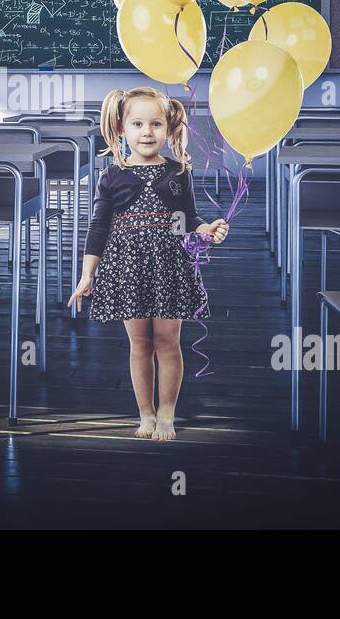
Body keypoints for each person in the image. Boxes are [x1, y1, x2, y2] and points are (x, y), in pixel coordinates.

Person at [68, 86, 229, 440]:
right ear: (122, 128)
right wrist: (86, 276)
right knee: (140, 344)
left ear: (169, 129)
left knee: (168, 343)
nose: (147, 132)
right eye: (137, 123)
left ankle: (168, 414)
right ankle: (145, 414)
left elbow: (186, 219)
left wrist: (207, 230)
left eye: (156, 124)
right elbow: (99, 227)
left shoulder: (178, 172)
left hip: (169, 265)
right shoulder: (112, 175)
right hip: (127, 268)